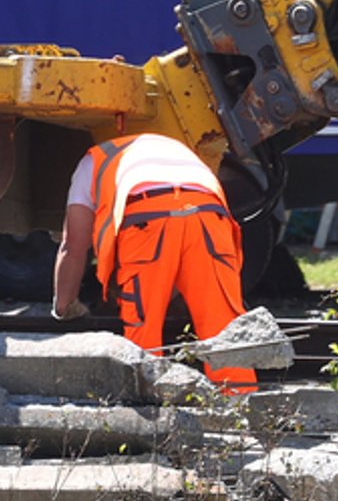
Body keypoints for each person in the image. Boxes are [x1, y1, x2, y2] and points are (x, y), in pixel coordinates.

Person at [51, 133, 255, 391]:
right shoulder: (172, 147)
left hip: (148, 221)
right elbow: (181, 220)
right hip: (210, 218)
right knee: (225, 327)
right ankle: (239, 408)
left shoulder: (93, 162)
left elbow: (73, 245)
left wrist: (63, 305)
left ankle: (150, 411)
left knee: (143, 329)